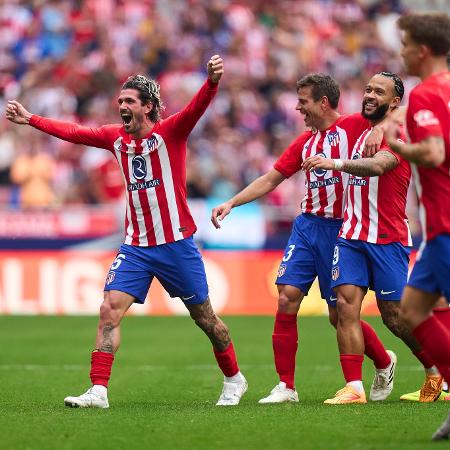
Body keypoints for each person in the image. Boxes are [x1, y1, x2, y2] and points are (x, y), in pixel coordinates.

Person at [5, 55, 248, 408]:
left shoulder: (171, 133)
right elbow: (74, 132)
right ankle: (98, 390)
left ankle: (234, 378)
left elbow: (197, 108)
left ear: (148, 107)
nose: (121, 105)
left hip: (175, 243)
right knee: (108, 310)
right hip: (135, 247)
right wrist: (31, 119)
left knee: (206, 319)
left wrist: (211, 82)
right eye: (120, 101)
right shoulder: (114, 138)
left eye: (129, 101)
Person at [211, 73, 391, 404]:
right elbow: (270, 179)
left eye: (303, 101)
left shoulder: (355, 125)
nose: (298, 108)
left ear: (323, 102)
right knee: (286, 297)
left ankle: (384, 361)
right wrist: (232, 202)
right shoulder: (305, 142)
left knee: (340, 316)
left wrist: (381, 127)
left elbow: (394, 113)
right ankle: (286, 386)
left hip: (342, 231)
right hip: (307, 227)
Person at [304, 72, 420, 404]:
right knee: (344, 308)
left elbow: (380, 166)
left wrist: (336, 163)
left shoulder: (399, 132)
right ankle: (353, 387)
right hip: (351, 235)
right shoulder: (359, 130)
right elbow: (331, 118)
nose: (369, 95)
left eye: (378, 92)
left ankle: (435, 369)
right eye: (367, 89)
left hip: (386, 237)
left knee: (394, 316)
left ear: (394, 102)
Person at [382, 12, 450, 440]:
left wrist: (395, 143)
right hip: (438, 230)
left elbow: (434, 153)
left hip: (445, 224)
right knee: (412, 310)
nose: (401, 51)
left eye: (405, 44)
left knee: (416, 312)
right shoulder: (442, 89)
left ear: (422, 50)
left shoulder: (426, 93)